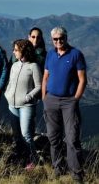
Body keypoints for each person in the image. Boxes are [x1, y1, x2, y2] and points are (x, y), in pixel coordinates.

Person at [42, 27, 87, 183]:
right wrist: (44, 97)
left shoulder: (76, 54)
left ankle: (76, 175)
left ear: (66, 38)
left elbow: (82, 79)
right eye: (55, 39)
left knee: (72, 138)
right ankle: (58, 169)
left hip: (69, 102)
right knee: (53, 138)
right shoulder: (50, 54)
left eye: (61, 38)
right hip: (51, 100)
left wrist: (75, 99)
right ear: (52, 40)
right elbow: (45, 77)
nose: (59, 41)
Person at [5, 39, 42, 169]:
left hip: (26, 105)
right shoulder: (14, 65)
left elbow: (39, 86)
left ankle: (33, 159)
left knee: (26, 134)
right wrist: (7, 94)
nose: (14, 52)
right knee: (17, 135)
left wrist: (29, 96)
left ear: (23, 51)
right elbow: (10, 82)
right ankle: (22, 157)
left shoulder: (33, 66)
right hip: (12, 105)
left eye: (16, 50)